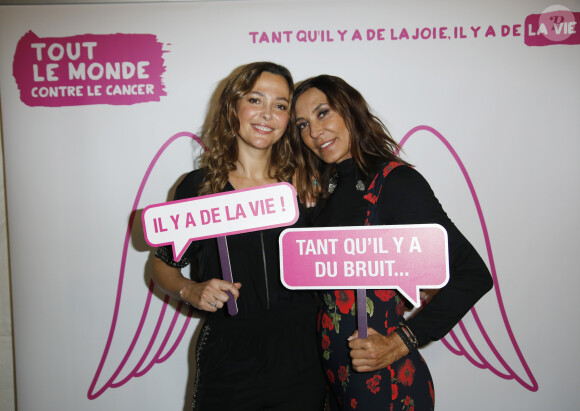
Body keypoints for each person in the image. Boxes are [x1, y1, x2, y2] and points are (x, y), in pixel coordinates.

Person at [290, 74, 493, 410]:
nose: (314, 132)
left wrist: (399, 343)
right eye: (302, 125)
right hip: (333, 386)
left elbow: (472, 275)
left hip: (387, 389)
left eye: (323, 113)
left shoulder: (396, 183)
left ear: (351, 111)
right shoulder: (323, 193)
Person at [152, 62, 326, 411]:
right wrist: (191, 289)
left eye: (280, 105)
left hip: (303, 356)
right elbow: (162, 268)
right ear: (233, 107)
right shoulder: (199, 188)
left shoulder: (308, 183)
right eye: (255, 100)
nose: (267, 114)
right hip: (229, 357)